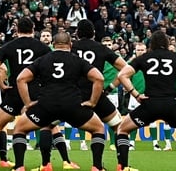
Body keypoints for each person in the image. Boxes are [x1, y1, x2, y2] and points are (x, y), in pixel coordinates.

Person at [10, 31, 107, 171]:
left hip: (46, 106)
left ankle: (19, 166)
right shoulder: (77, 60)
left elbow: (21, 79)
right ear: (70, 44)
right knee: (98, 129)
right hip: (72, 105)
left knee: (19, 129)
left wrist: (28, 103)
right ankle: (97, 167)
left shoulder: (43, 59)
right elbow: (99, 78)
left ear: (53, 44)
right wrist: (92, 102)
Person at [0, 18, 78, 170]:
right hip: (36, 91)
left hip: (15, 91)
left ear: (17, 30)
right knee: (48, 127)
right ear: (33, 28)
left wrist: (1, 84)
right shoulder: (42, 47)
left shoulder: (9, 46)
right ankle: (54, 163)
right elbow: (53, 63)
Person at [116, 30, 176, 171]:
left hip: (149, 104)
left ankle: (124, 167)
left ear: (151, 43)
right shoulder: (175, 57)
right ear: (167, 43)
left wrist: (136, 94)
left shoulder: (144, 57)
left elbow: (122, 75)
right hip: (171, 105)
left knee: (122, 129)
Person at [71, 20, 128, 150]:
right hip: (96, 94)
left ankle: (48, 163)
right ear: (94, 33)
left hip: (72, 95)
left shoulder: (71, 47)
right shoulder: (101, 48)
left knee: (49, 125)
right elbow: (126, 69)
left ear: (77, 33)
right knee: (119, 126)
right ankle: (122, 165)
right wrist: (110, 87)